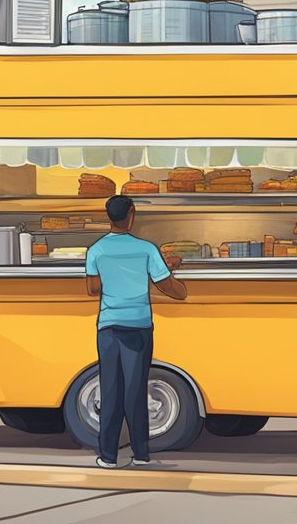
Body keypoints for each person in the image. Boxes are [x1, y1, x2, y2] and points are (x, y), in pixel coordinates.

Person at [85, 195, 188, 469]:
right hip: (139, 327)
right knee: (135, 391)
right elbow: (169, 287)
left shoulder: (95, 250)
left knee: (110, 391)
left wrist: (115, 278)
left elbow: (93, 289)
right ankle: (140, 454)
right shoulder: (146, 249)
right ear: (131, 215)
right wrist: (177, 281)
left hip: (108, 327)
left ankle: (107, 456)